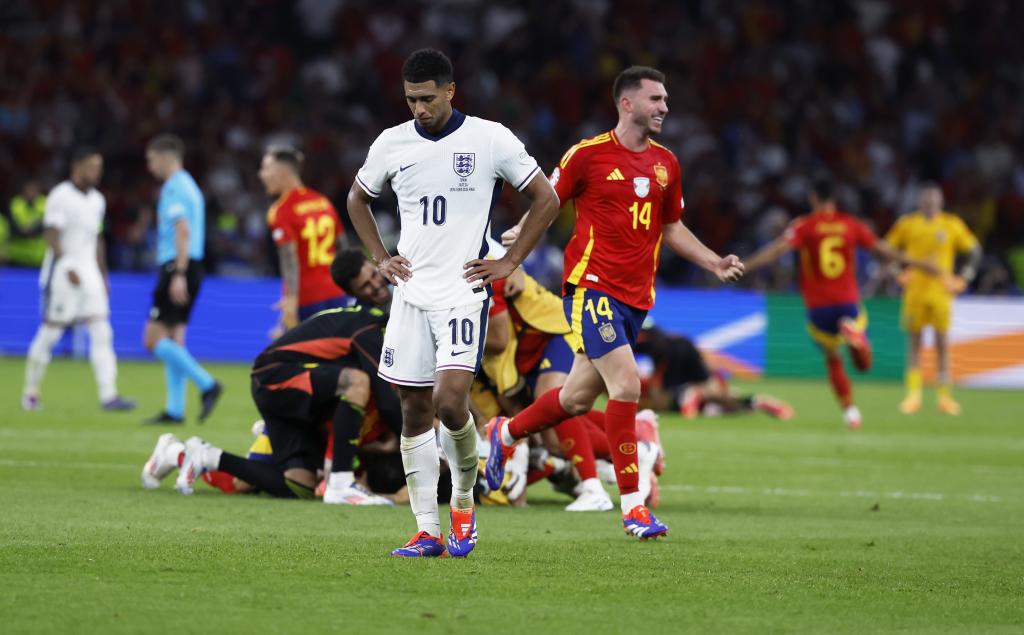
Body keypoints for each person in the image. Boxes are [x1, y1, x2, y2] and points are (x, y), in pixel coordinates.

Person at [487, 66, 744, 540]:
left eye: (666, 99)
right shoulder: (588, 155)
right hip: (591, 289)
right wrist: (520, 234)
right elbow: (548, 199)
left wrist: (712, 261)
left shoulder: (667, 163)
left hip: (636, 298)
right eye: (656, 99)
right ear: (627, 103)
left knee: (575, 398)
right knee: (626, 386)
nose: (665, 107)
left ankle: (504, 434)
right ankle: (633, 508)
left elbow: (671, 228)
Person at [346, 49, 560, 557]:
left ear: (450, 91)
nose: (418, 108)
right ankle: (426, 529)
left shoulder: (490, 138)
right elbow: (357, 198)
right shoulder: (391, 143)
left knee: (449, 402)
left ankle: (463, 501)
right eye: (410, 100)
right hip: (411, 293)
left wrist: (507, 262)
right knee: (413, 409)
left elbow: (546, 198)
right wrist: (380, 256)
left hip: (464, 291)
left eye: (426, 98)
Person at [149, 302, 402, 505]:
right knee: (242, 485)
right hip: (301, 414)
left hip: (312, 422)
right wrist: (331, 468)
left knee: (298, 486)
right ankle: (184, 455)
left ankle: (180, 454)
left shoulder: (383, 414)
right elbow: (338, 420)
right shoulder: (375, 390)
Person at [743, 178, 936, 428]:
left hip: (819, 307)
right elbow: (884, 251)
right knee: (864, 365)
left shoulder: (805, 226)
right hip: (848, 302)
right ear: (835, 198)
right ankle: (855, 335)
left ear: (813, 198)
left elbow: (777, 250)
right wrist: (921, 264)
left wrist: (745, 265)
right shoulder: (850, 224)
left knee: (832, 356)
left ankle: (850, 412)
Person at [21, 148, 135, 411]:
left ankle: (109, 395)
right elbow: (51, 234)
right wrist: (68, 264)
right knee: (51, 332)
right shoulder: (61, 196)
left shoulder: (97, 200)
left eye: (99, 167)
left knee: (102, 331)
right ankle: (30, 392)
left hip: (90, 273)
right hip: (63, 271)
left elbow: (97, 239)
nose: (97, 172)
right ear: (77, 166)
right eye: (92, 167)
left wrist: (103, 275)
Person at [142, 134, 222, 424]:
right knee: (175, 338)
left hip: (178, 265)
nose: (150, 166)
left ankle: (207, 384)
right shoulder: (191, 186)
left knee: (152, 340)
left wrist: (178, 273)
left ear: (166, 156)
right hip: (192, 265)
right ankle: (175, 409)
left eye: (151, 159)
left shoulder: (175, 187)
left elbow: (183, 230)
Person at [885, 184, 981, 416]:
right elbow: (887, 250)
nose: (929, 203)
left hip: (941, 291)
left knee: (942, 343)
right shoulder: (907, 224)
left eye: (934, 199)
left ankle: (944, 397)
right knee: (915, 343)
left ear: (941, 202)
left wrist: (964, 278)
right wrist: (898, 272)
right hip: (915, 291)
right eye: (926, 199)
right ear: (919, 202)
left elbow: (975, 250)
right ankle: (913, 396)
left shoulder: (951, 224)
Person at [259, 145, 347, 329]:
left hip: (306, 298)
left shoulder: (281, 210)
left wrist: (290, 299)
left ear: (282, 172)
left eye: (266, 168)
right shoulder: (323, 202)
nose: (262, 175)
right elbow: (342, 246)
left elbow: (289, 257)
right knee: (332, 353)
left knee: (292, 354)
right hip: (336, 293)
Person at [635, 320, 793, 420]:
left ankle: (689, 394)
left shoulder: (646, 337)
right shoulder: (663, 333)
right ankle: (755, 401)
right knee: (720, 398)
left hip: (668, 355)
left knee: (662, 401)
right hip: (686, 346)